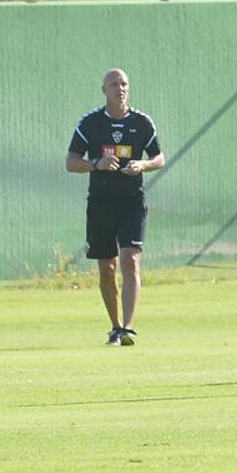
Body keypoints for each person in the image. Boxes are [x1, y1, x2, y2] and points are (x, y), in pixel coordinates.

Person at [66, 68, 165, 347]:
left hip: (132, 203)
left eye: (124, 84)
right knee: (107, 269)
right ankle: (115, 326)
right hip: (100, 205)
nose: (120, 89)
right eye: (114, 84)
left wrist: (142, 164)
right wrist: (94, 165)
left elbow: (159, 158)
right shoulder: (91, 124)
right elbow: (71, 161)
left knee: (130, 259)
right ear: (104, 90)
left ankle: (129, 329)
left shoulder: (142, 123)